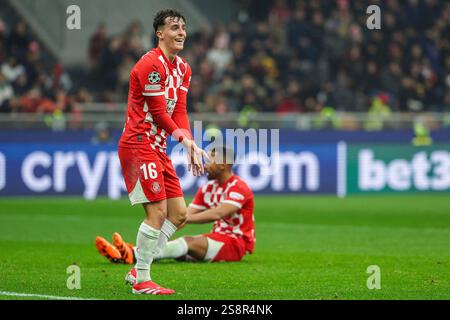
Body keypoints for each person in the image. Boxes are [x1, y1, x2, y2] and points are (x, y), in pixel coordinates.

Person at [117, 9, 206, 295]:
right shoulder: (149, 65)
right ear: (160, 33)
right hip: (138, 144)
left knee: (179, 214)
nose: (181, 32)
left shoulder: (183, 69)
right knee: (156, 213)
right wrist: (186, 142)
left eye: (183, 27)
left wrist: (188, 141)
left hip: (158, 148)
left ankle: (138, 267)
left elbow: (178, 110)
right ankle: (142, 280)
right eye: (174, 28)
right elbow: (157, 113)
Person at [96, 146, 255, 285]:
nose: (205, 165)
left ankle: (132, 253)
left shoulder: (239, 187)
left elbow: (218, 213)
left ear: (222, 164)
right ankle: (129, 252)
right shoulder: (208, 188)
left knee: (186, 243)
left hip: (236, 243)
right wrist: (158, 233)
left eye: (209, 160)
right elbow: (183, 216)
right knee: (181, 251)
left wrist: (183, 217)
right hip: (217, 237)